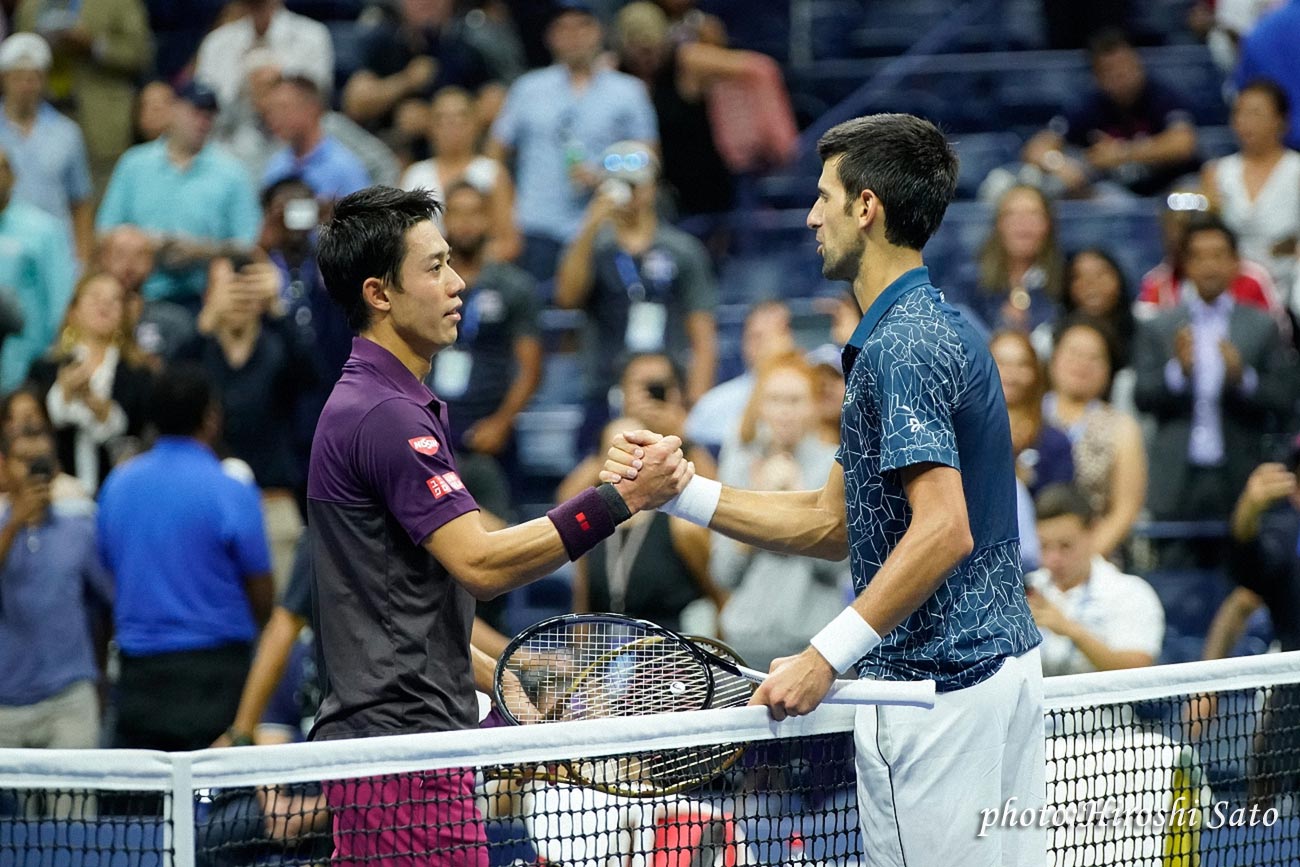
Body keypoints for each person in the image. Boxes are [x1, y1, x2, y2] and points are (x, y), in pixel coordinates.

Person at [603, 113, 1045, 866]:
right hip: (997, 677)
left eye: (823, 196)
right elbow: (833, 520)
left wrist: (825, 654)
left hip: (931, 696)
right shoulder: (935, 327)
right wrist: (682, 492)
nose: (810, 216)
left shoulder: (898, 346)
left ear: (865, 207)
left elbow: (944, 529)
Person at [306, 186, 689, 864]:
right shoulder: (383, 415)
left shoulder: (394, 402)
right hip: (404, 760)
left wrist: (498, 677)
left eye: (451, 261)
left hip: (409, 748)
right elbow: (481, 564)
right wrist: (618, 500)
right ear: (379, 292)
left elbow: (409, 605)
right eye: (434, 267)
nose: (458, 283)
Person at [98, 365, 274, 751]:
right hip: (218, 677)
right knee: (223, 808)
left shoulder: (116, 487)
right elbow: (262, 590)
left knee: (142, 807)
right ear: (210, 417)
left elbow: (110, 571)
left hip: (138, 676)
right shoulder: (231, 489)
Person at [1133, 215, 1297, 524]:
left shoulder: (1261, 326)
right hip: (1175, 479)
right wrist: (1178, 372)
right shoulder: (1160, 326)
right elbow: (1143, 397)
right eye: (1199, 256)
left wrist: (1242, 378)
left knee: (1246, 569)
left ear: (1235, 262)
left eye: (1218, 255)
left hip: (1240, 474)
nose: (1209, 265)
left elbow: (1283, 398)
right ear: (1185, 264)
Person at [487, 0, 658, 284]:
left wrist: (606, 175)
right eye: (564, 28)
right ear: (550, 36)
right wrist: (506, 220)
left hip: (608, 226)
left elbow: (649, 158)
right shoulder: (527, 89)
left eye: (582, 26)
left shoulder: (628, 91)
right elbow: (494, 156)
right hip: (535, 225)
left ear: (599, 32)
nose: (574, 36)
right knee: (539, 318)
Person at [178, 255, 319, 593]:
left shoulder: (279, 345)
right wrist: (205, 324)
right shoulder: (197, 352)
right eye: (227, 286)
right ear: (208, 293)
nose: (238, 296)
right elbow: (169, 397)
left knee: (285, 622)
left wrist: (279, 310)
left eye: (246, 285)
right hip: (203, 504)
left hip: (272, 501)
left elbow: (315, 381)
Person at [555, 140, 718, 426]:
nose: (628, 193)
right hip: (605, 386)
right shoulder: (593, 247)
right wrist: (591, 224)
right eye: (619, 184)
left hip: (666, 386)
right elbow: (567, 297)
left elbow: (703, 334)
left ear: (652, 187)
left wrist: (694, 404)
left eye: (635, 184)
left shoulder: (681, 249)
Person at [711, 353, 849, 669]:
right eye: (774, 400)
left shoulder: (835, 466)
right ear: (760, 406)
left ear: (815, 405)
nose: (785, 412)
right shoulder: (739, 466)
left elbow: (834, 569)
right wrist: (762, 503)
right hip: (744, 640)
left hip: (814, 645)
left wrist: (797, 497)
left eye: (795, 400)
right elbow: (724, 573)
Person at [428, 180, 541, 521]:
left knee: (504, 533)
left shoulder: (513, 285)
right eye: (457, 214)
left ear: (490, 220)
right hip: (433, 430)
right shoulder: (428, 285)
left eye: (475, 213)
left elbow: (531, 368)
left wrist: (502, 423)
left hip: (491, 433)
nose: (465, 223)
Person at [96, 80, 262, 308]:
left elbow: (249, 245)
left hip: (206, 298)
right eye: (195, 112)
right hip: (138, 294)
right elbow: (105, 233)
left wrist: (201, 251)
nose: (203, 122)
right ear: (173, 110)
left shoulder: (232, 173)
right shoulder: (134, 164)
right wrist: (147, 244)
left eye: (209, 115)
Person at [0, 426, 112, 748]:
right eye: (24, 461)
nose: (34, 472)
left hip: (69, 698)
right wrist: (14, 523)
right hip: (5, 703)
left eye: (42, 462)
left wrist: (98, 679)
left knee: (76, 799)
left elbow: (108, 603)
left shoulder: (80, 529)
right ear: (5, 466)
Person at [572, 416, 719, 633]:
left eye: (637, 450)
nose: (628, 461)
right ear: (601, 462)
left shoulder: (682, 529)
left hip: (676, 659)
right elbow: (582, 617)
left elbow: (719, 598)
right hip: (609, 659)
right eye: (617, 451)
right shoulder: (588, 529)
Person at [1021, 29, 1201, 199]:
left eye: (1125, 67)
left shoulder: (1162, 96)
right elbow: (1037, 148)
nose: (1121, 76)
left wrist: (1122, 153)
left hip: (1167, 189)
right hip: (1112, 195)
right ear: (1097, 77)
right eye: (1110, 71)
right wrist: (1058, 164)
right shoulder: (1087, 105)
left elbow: (1183, 143)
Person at [26, 271, 154, 493]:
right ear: (73, 310)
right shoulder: (45, 369)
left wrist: (98, 406)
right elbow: (35, 424)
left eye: (114, 300)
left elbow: (142, 431)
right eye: (95, 297)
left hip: (119, 488)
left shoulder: (138, 374)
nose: (104, 305)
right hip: (55, 490)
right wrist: (64, 392)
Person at [614, 2, 738, 221]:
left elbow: (758, 68)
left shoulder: (687, 64)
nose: (646, 58)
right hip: (651, 188)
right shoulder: (615, 76)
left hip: (702, 184)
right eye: (638, 49)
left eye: (652, 48)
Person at [1024, 484, 1165, 677]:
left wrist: (1072, 631)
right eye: (1044, 546)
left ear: (1093, 531)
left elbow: (1137, 674)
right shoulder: (1024, 589)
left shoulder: (1130, 593)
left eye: (1065, 546)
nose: (1053, 559)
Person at [14, 0, 153, 189]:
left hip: (100, 122)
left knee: (100, 195)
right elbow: (15, 58)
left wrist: (93, 46)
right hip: (40, 116)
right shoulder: (31, 5)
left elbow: (140, 52)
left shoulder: (120, 3)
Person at [1043, 317, 1147, 559]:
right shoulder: (1027, 419)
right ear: (1053, 357)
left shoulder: (1122, 427)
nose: (1082, 364)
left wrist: (1081, 559)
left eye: (1094, 357)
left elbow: (1126, 509)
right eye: (1074, 353)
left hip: (1097, 558)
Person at [341, 0, 500, 139]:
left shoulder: (465, 50)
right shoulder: (385, 43)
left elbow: (495, 104)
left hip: (453, 156)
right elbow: (354, 104)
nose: (426, 3)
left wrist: (433, 120)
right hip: (393, 153)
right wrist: (406, 81)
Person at [0, 33, 94, 261]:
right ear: (4, 78)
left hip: (55, 253)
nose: (26, 86)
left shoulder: (68, 133)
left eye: (33, 78)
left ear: (44, 81)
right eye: (19, 77)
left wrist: (81, 261)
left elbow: (81, 202)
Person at [1202, 79, 1300, 297]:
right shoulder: (1217, 172)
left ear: (1280, 121)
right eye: (1239, 113)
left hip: (1288, 280)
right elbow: (1206, 237)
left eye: (1255, 113)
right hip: (1232, 284)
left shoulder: (1296, 170)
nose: (1245, 122)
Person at [400, 86, 520, 263]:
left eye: (460, 118)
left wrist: (466, 263)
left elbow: (508, 242)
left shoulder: (492, 173)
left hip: (481, 271)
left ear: (475, 123)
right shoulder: (415, 175)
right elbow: (402, 240)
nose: (452, 126)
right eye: (442, 119)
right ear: (431, 126)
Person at [0, 146, 75, 393]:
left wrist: (53, 356)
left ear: (13, 176)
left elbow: (61, 298)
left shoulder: (43, 229)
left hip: (27, 362)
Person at [684, 300, 795, 453]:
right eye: (757, 336)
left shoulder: (816, 392)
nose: (768, 345)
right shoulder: (712, 405)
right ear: (745, 341)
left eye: (777, 333)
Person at [193, 0, 332, 115]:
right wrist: (244, 84)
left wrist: (278, 80)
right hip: (229, 138)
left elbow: (319, 101)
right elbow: (203, 103)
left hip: (291, 139)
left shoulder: (313, 36)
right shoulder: (217, 42)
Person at [966, 184, 1064, 334]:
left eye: (1033, 214)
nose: (1023, 223)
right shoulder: (969, 280)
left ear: (1048, 224)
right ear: (999, 225)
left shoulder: (1068, 280)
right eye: (1012, 214)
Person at [989, 330, 1074, 499]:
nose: (1010, 373)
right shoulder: (962, 433)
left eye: (1022, 364)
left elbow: (1062, 507)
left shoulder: (1054, 441)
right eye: (1000, 362)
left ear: (1036, 372)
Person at [261, 75, 370, 201]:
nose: (274, 118)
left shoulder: (345, 168)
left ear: (312, 108)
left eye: (284, 108)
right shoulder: (275, 168)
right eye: (271, 110)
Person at [1234, 0, 1300, 150]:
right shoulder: (1260, 32)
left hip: (1279, 146)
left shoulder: (1260, 31)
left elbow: (1244, 93)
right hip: (1280, 156)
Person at [1062, 248, 1135, 369]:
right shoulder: (1048, 339)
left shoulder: (1146, 337)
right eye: (1079, 276)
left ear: (1119, 280)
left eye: (1100, 274)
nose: (1091, 284)